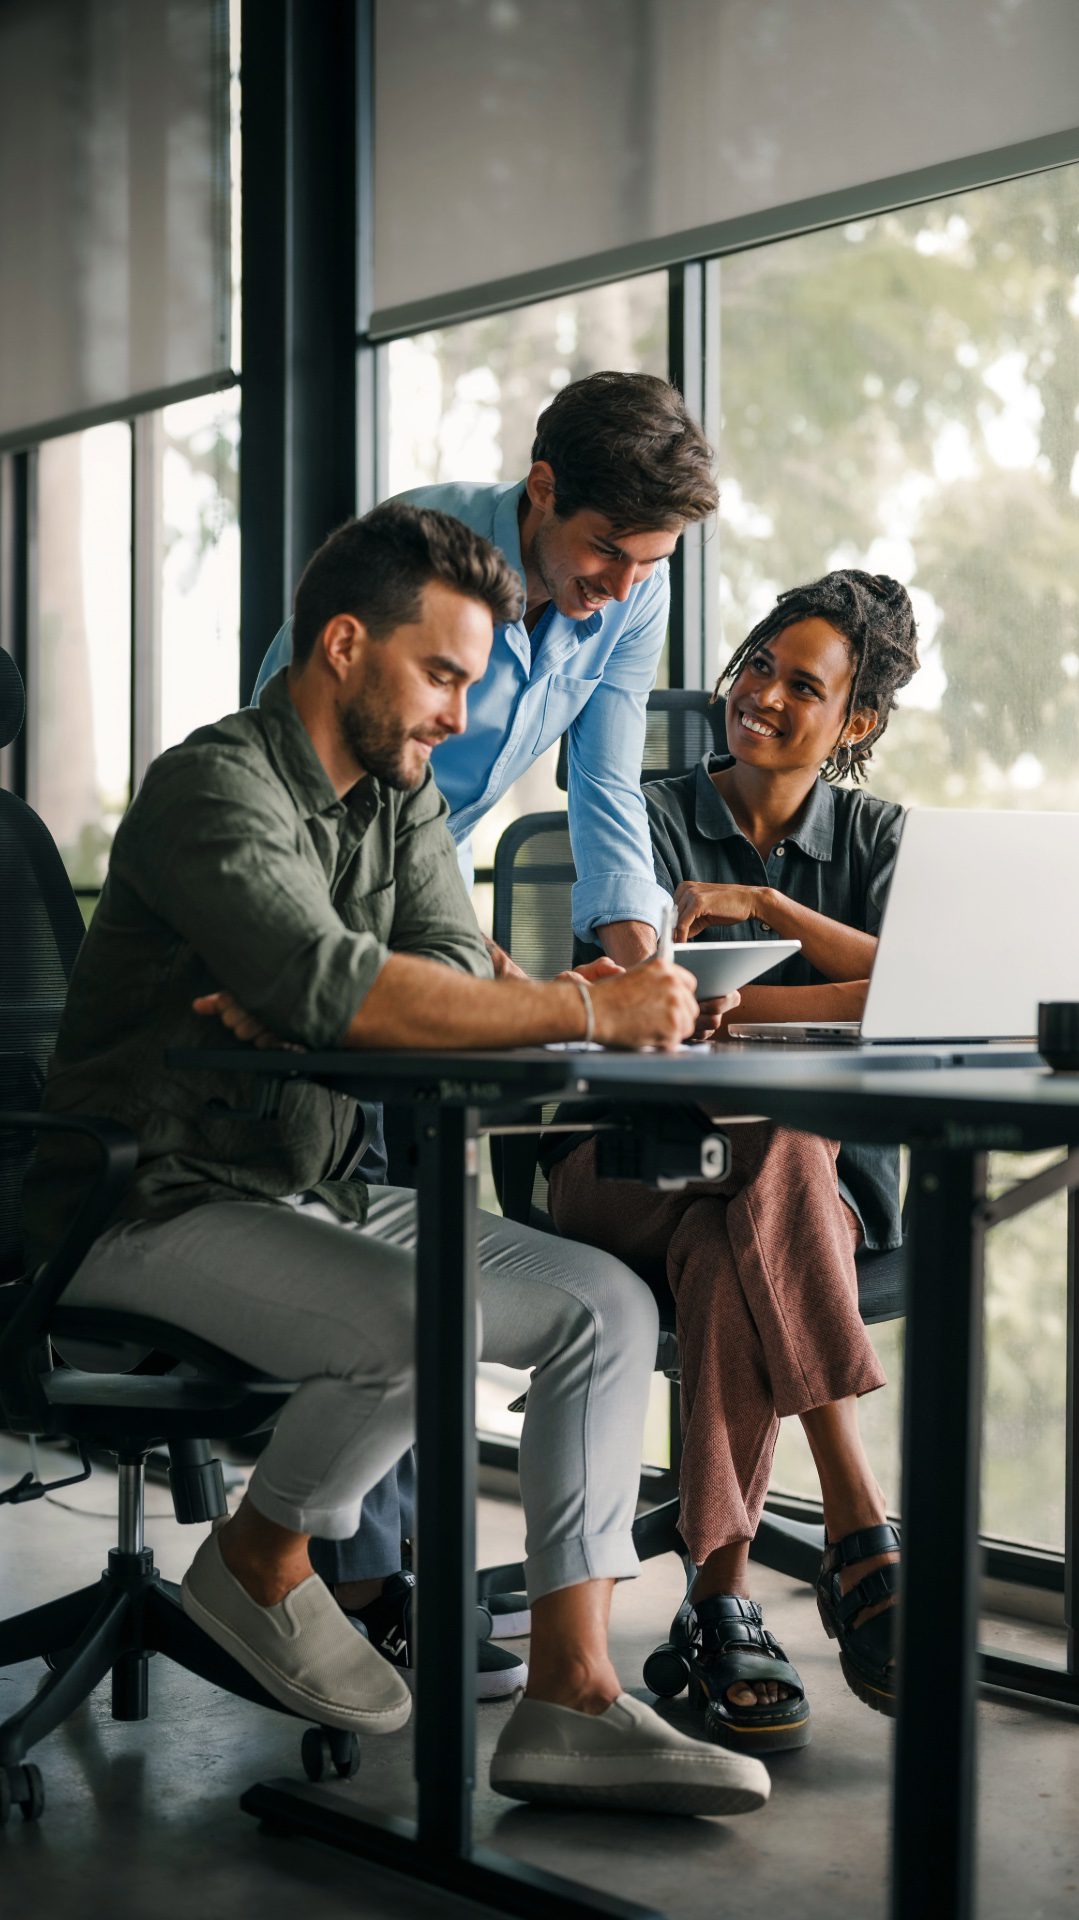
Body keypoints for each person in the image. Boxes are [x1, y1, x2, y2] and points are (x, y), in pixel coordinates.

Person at [22, 503, 768, 1818]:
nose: (462, 716)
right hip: (145, 1197)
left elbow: (427, 964)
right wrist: (569, 1005)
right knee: (431, 1323)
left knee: (609, 1306)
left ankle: (571, 1697)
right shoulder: (215, 785)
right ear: (345, 645)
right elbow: (339, 986)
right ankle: (258, 1556)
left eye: (475, 683)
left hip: (315, 1179)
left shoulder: (403, 795)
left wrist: (358, 986)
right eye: (441, 676)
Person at [251, 370, 719, 1687]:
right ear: (543, 491)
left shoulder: (636, 592)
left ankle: (388, 1579)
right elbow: (298, 760)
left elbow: (606, 778)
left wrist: (638, 947)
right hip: (323, 885)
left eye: (650, 562)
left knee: (428, 1235)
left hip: (429, 882)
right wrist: (441, 949)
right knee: (376, 1250)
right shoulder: (412, 562)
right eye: (604, 552)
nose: (622, 584)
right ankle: (363, 1583)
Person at [543, 571, 921, 1752]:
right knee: (771, 1140)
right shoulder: (641, 811)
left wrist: (769, 911)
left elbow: (917, 979)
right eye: (756, 663)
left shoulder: (875, 835)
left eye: (800, 687)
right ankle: (858, 1513)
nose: (757, 695)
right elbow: (642, 997)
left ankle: (720, 1602)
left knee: (734, 1238)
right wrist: (819, 999)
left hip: (804, 1201)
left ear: (855, 723)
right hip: (624, 1167)